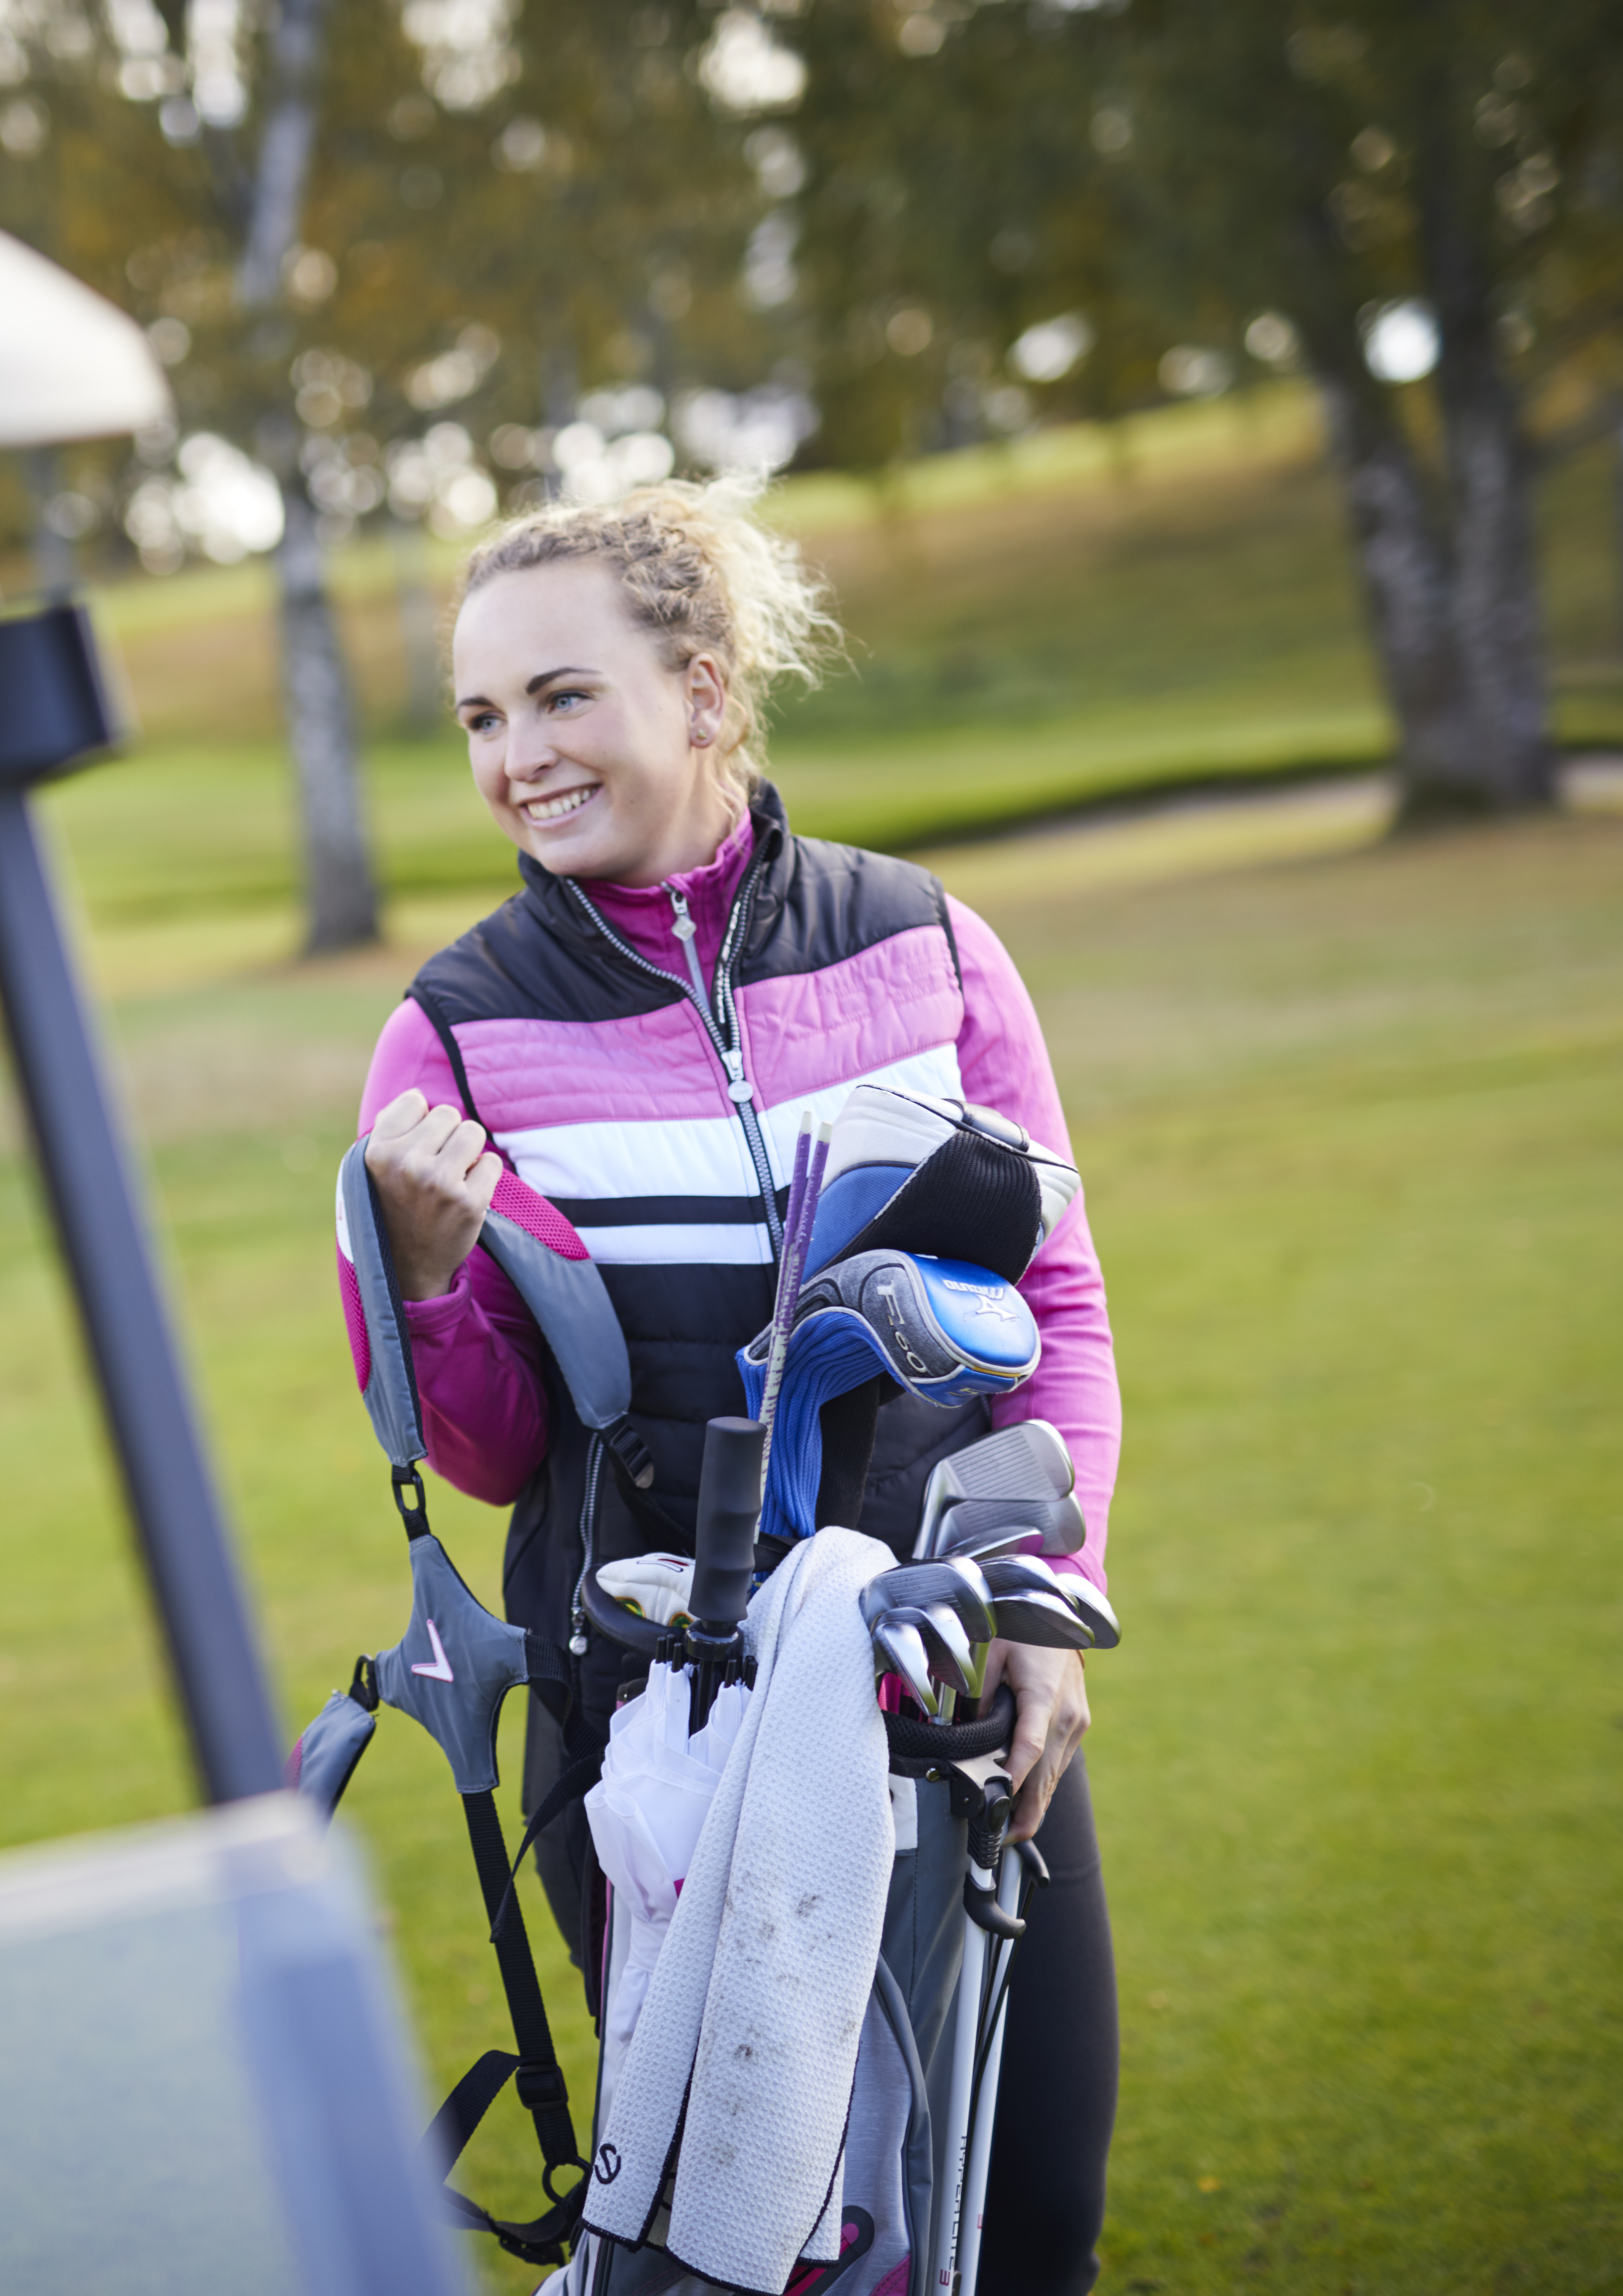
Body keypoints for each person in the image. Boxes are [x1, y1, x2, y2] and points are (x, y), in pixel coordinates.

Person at [347, 479, 1122, 2291]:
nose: (518, 757)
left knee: (1028, 2219)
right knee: (758, 2247)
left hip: (948, 1669)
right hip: (657, 1725)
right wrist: (429, 1274)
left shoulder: (925, 944)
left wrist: (1046, 1608)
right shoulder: (451, 1034)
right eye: (481, 716)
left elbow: (1056, 1304)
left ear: (702, 690)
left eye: (562, 697)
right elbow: (494, 1452)